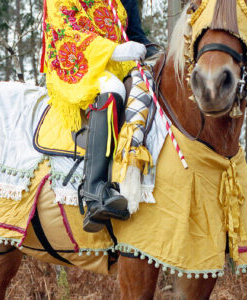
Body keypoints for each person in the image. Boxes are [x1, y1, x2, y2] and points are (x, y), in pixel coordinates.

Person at [41, 0, 147, 232]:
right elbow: (64, 31)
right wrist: (114, 50)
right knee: (114, 88)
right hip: (73, 62)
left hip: (114, 62)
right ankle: (94, 190)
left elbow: (129, 30)